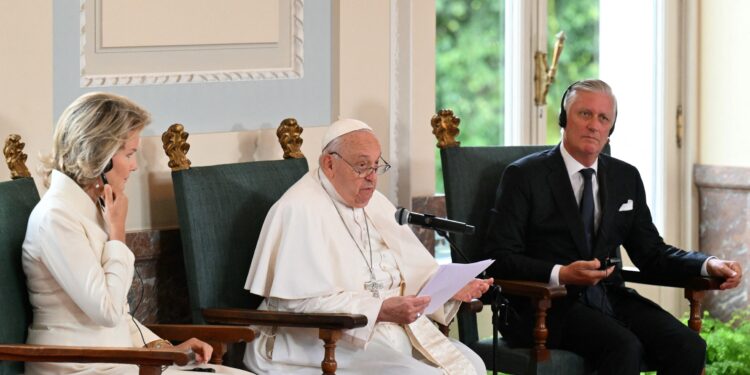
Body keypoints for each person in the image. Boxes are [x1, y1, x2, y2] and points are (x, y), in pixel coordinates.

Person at [484, 79, 743, 375]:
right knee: (623, 346)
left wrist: (707, 264)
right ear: (564, 119)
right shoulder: (523, 176)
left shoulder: (625, 177)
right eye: (585, 114)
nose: (594, 125)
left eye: (603, 118)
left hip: (608, 297)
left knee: (688, 346)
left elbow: (652, 253)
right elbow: (499, 257)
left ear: (610, 130)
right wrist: (561, 274)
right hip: (542, 305)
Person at [22, 92, 250, 375]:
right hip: (79, 368)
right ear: (100, 156)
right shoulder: (55, 217)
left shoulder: (91, 209)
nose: (134, 165)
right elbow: (106, 311)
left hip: (116, 362)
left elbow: (120, 315)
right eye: (129, 154)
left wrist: (165, 348)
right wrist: (117, 235)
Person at [244, 119, 492, 374]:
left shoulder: (375, 203)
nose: (372, 179)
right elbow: (296, 305)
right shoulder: (298, 210)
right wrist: (380, 310)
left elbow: (410, 273)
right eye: (362, 166)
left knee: (474, 365)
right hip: (314, 342)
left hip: (387, 332)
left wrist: (449, 288)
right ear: (329, 164)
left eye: (376, 166)